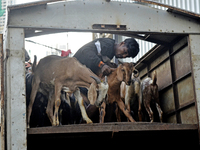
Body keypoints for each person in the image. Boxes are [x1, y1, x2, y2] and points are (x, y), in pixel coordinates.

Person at [74, 38, 139, 76]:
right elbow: (86, 50)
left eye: (126, 56)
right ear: (122, 43)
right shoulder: (108, 45)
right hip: (74, 69)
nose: (123, 56)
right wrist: (102, 65)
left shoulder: (111, 54)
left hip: (81, 74)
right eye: (124, 51)